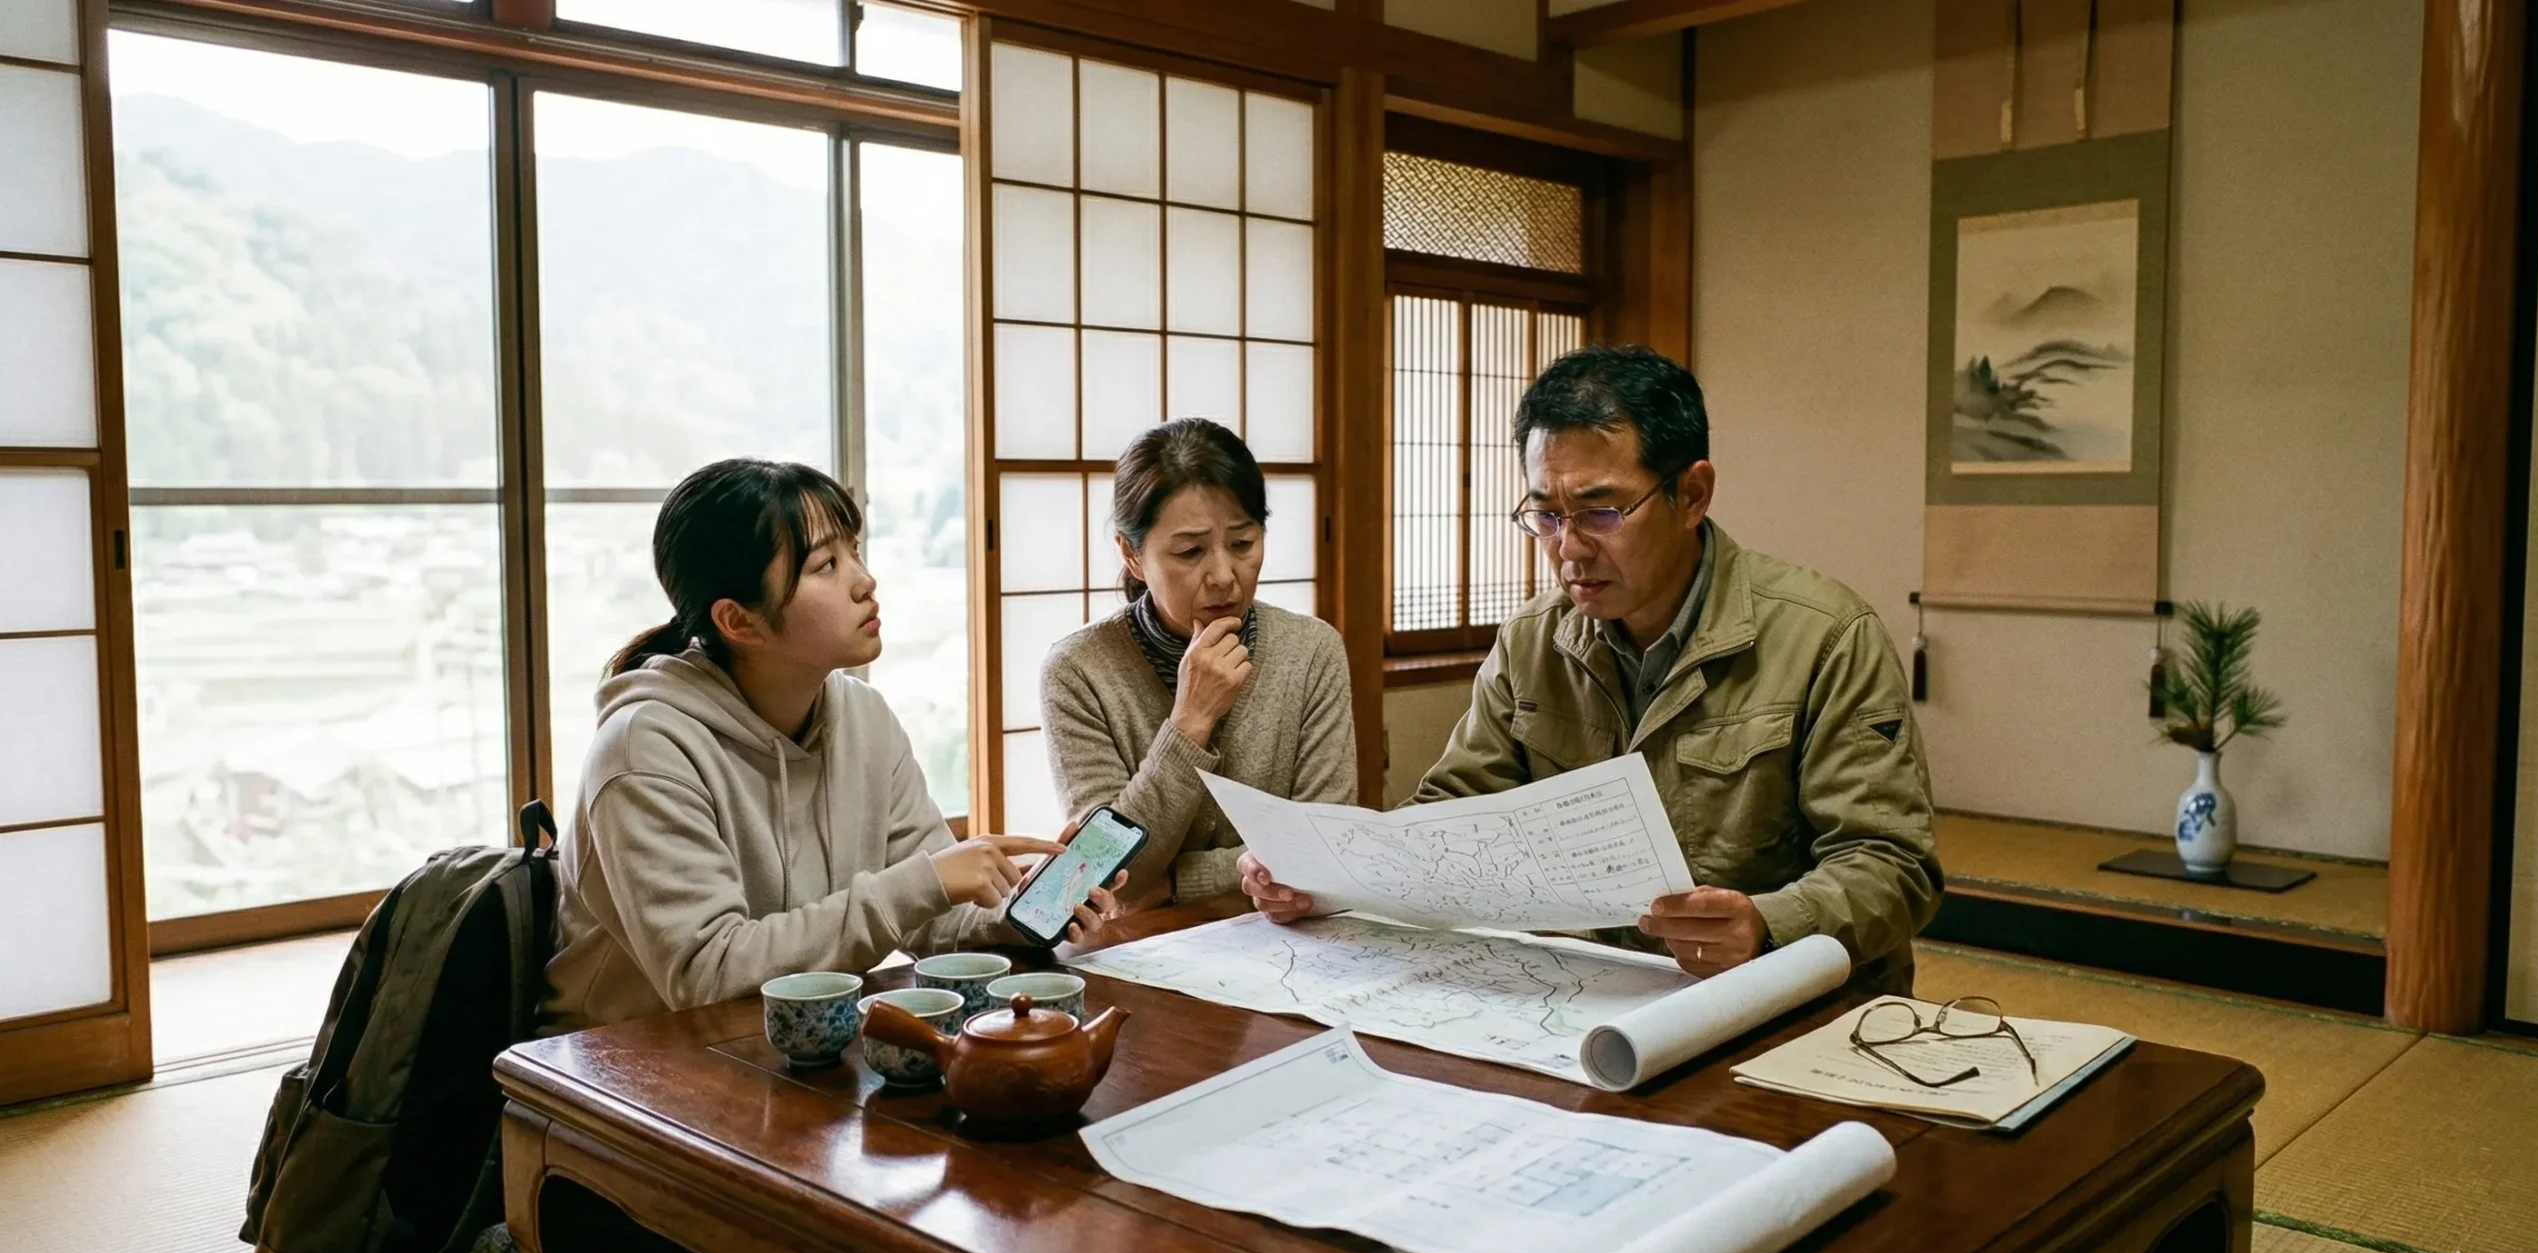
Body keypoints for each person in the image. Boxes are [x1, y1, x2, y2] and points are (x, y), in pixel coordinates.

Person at [1241, 347, 1941, 994]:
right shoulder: (1534, 640)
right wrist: (1329, 878)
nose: (1569, 548)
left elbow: (1893, 865)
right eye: (1545, 515)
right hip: (1592, 991)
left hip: (1774, 1001)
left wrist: (1767, 923)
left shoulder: (1825, 636)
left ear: (1693, 494)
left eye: (1600, 512)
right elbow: (1454, 815)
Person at [545, 457, 1112, 1033]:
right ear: (739, 622)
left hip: (794, 1045)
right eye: (827, 565)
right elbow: (708, 976)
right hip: (626, 1059)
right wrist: (927, 882)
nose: (864, 581)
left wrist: (1023, 914)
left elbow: (929, 917)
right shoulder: (644, 751)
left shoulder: (864, 717)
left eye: (854, 551)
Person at [1041, 419, 1357, 906]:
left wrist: (1173, 883)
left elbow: (1327, 847)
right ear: (1131, 554)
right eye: (1190, 552)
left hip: (1289, 937)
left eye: (1243, 544)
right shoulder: (1077, 670)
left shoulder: (1312, 651)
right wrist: (1190, 722)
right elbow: (1107, 873)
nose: (1224, 576)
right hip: (1144, 942)